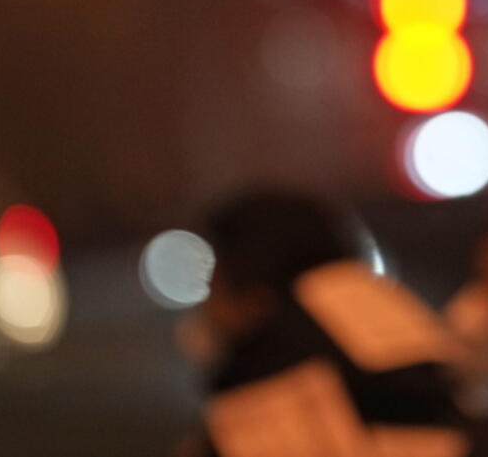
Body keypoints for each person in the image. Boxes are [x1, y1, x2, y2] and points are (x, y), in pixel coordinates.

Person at [182, 189, 468, 457]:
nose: (207, 304)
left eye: (213, 283)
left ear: (254, 300)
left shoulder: (267, 363)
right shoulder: (387, 306)